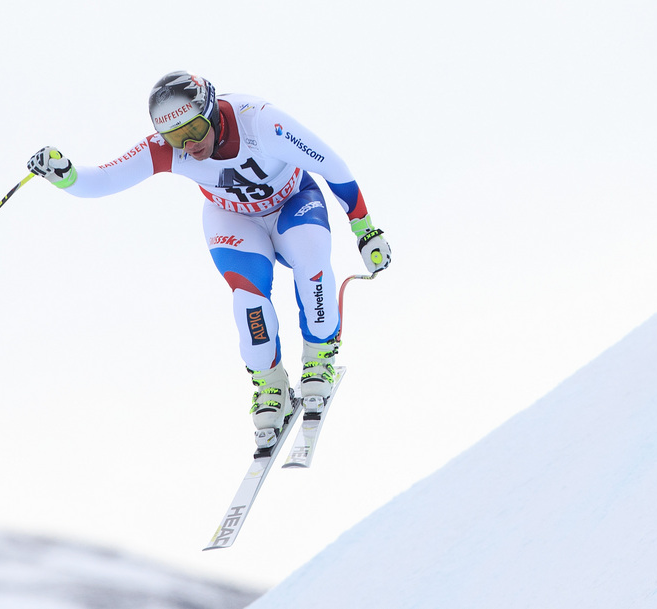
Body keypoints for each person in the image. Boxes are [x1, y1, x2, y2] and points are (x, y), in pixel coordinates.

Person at [27, 71, 390, 449]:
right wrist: (64, 175)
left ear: (212, 111)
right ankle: (270, 385)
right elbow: (101, 181)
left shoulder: (260, 122)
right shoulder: (170, 148)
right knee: (248, 296)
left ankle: (319, 356)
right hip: (232, 216)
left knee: (312, 262)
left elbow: (332, 165)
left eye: (195, 130)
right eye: (175, 137)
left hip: (292, 201)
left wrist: (364, 229)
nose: (189, 145)